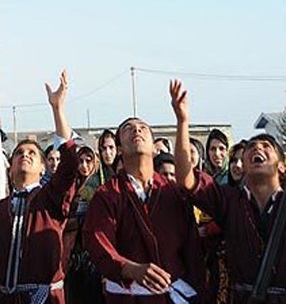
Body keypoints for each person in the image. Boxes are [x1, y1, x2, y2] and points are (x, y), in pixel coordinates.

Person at [172, 79, 286, 303]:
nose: (257, 148)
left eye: (266, 146)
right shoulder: (228, 200)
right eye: (251, 147)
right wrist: (182, 121)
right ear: (244, 164)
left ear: (282, 165)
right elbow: (186, 179)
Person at [83, 107, 203, 303]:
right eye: (128, 128)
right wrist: (130, 268)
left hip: (175, 295)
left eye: (143, 128)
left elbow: (192, 249)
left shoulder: (172, 192)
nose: (137, 130)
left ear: (154, 147)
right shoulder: (107, 195)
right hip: (129, 297)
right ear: (119, 149)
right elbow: (98, 243)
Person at [0, 71, 78, 304]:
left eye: (32, 153)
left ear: (43, 168)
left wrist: (57, 109)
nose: (24, 155)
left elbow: (69, 165)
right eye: (19, 153)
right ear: (10, 168)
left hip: (45, 299)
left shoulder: (51, 197)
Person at [64, 145, 105, 304]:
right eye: (80, 161)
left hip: (93, 250)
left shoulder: (100, 187)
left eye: (88, 161)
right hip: (73, 249)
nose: (84, 166)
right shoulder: (71, 186)